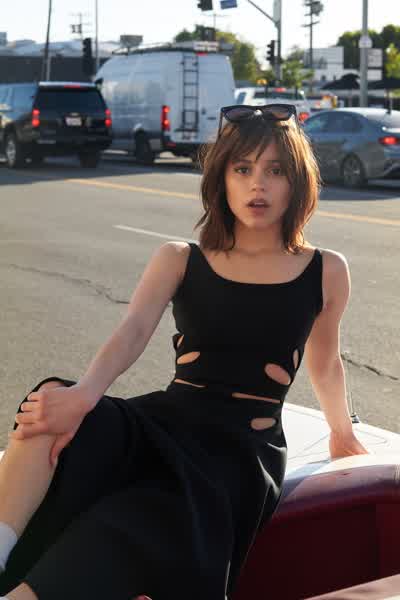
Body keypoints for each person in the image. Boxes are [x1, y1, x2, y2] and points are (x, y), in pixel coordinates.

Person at [0, 104, 369, 600]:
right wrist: (84, 394)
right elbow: (133, 331)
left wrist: (342, 433)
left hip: (240, 452)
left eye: (275, 170)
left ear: (296, 181)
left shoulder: (326, 270)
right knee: (49, 402)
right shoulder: (180, 258)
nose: (258, 185)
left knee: (131, 522)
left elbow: (325, 363)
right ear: (222, 179)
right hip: (168, 421)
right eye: (243, 169)